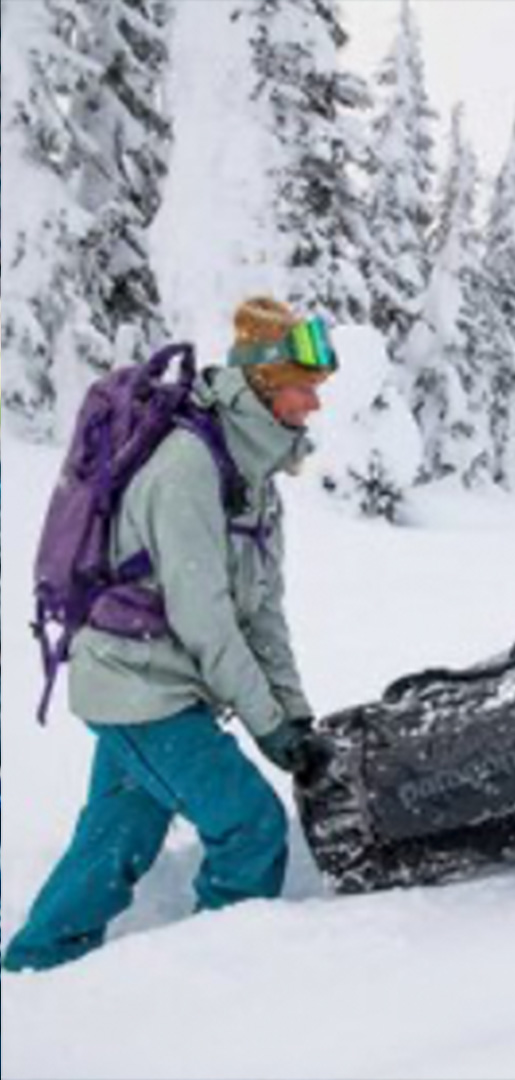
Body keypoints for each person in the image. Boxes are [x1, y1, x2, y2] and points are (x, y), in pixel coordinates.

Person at [3, 297, 337, 973]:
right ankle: (212, 990)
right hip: (138, 686)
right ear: (264, 383)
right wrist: (269, 727)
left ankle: (33, 969)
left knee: (114, 842)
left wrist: (296, 715)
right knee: (251, 826)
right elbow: (204, 620)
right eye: (304, 386)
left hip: (160, 683)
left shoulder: (256, 479)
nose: (315, 403)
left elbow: (263, 613)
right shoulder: (187, 467)